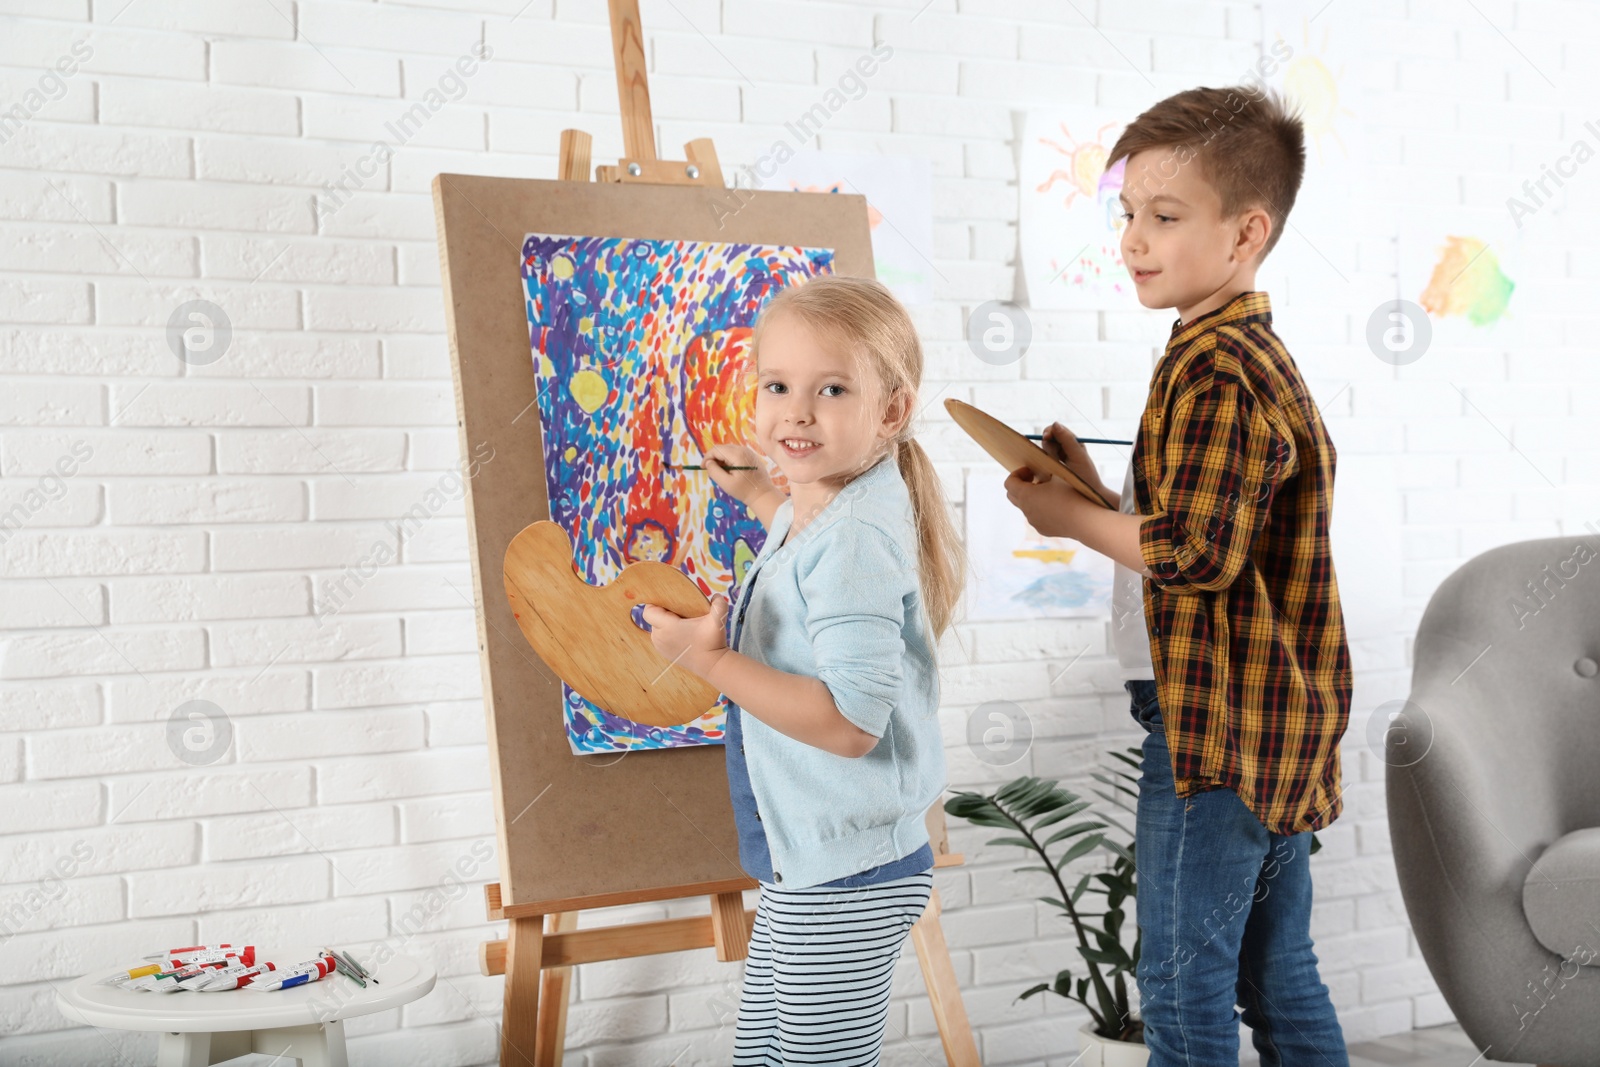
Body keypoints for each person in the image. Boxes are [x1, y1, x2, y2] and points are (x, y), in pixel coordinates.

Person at [1003, 85, 1353, 1065]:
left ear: (1246, 229)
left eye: (1164, 216)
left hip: (1214, 727)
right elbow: (1207, 527)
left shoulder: (1212, 372)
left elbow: (1198, 555)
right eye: (1126, 214)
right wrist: (1093, 491)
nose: (1132, 240)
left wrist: (1062, 515)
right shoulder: (1243, 354)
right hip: (1268, 721)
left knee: (1180, 979)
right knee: (1275, 973)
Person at [640, 273, 967, 1066]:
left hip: (848, 875)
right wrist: (761, 493)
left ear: (891, 411)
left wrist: (707, 658)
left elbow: (850, 725)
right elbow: (808, 557)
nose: (795, 411)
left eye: (830, 389)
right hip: (811, 860)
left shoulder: (854, 535)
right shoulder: (825, 503)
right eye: (778, 384)